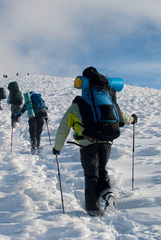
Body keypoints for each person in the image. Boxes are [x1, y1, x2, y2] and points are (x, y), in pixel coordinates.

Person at [52, 67, 138, 216]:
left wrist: (57, 148)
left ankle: (92, 209)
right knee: (102, 169)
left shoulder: (76, 107)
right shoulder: (107, 101)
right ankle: (107, 193)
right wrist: (133, 119)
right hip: (107, 142)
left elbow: (63, 129)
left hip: (87, 144)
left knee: (91, 175)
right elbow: (122, 118)